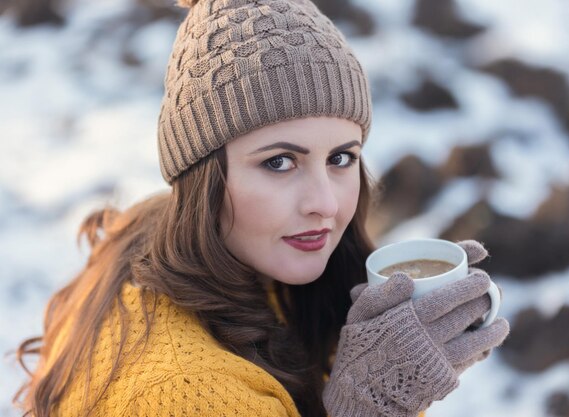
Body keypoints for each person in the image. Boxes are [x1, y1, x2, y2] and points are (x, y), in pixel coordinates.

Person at [14, 0, 509, 416]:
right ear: (201, 174)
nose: (325, 204)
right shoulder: (191, 397)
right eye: (278, 162)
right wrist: (375, 402)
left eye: (341, 158)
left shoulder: (156, 237)